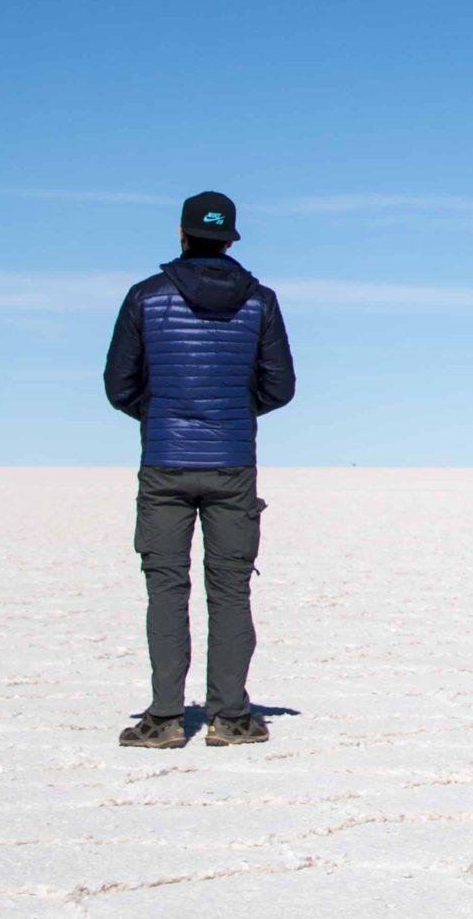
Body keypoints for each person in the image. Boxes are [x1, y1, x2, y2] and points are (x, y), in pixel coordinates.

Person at [102, 191, 296, 749]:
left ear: (181, 235)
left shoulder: (145, 297)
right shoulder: (261, 301)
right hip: (232, 465)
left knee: (166, 590)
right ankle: (231, 719)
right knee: (230, 592)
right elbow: (279, 387)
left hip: (163, 463)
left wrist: (162, 412)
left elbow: (120, 386)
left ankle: (164, 719)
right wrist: (231, 410)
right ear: (231, 239)